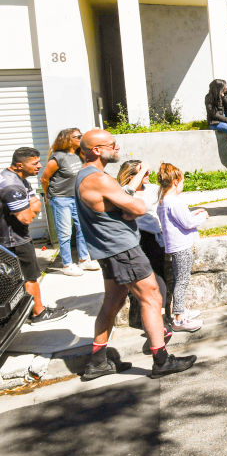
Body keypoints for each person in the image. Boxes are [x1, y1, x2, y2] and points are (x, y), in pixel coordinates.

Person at [75, 129, 195, 380]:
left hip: (109, 249)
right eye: (112, 144)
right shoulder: (99, 179)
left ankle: (98, 361)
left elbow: (126, 205)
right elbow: (139, 206)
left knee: (113, 301)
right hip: (122, 249)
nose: (117, 148)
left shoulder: (87, 176)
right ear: (97, 150)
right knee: (152, 297)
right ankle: (161, 359)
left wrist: (124, 205)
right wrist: (128, 207)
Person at [1, 148, 69, 325]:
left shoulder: (16, 178)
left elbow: (33, 202)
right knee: (30, 277)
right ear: (19, 165)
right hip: (14, 240)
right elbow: (26, 217)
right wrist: (35, 205)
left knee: (12, 281)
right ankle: (38, 313)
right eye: (35, 163)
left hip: (10, 239)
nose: (40, 166)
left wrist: (33, 203)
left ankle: (20, 313)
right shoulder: (12, 186)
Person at [39, 128, 99, 276]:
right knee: (65, 232)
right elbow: (44, 178)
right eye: (77, 136)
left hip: (77, 198)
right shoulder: (58, 157)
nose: (80, 138)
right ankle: (67, 264)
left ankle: (84, 260)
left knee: (83, 228)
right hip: (61, 198)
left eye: (81, 135)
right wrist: (48, 195)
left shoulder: (79, 155)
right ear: (67, 139)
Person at [156, 163, 207, 333]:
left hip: (174, 245)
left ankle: (181, 310)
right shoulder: (174, 201)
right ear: (176, 182)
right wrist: (202, 217)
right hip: (182, 246)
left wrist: (194, 213)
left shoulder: (163, 201)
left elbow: (180, 220)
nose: (183, 186)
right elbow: (188, 223)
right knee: (182, 281)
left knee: (180, 279)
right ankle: (179, 318)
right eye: (183, 182)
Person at [116, 160, 166, 329]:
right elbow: (127, 192)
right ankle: (154, 323)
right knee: (148, 282)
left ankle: (161, 320)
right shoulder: (123, 193)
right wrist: (142, 168)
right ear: (131, 176)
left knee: (160, 278)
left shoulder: (152, 189)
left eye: (146, 172)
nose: (148, 174)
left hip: (154, 238)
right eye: (143, 173)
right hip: (135, 240)